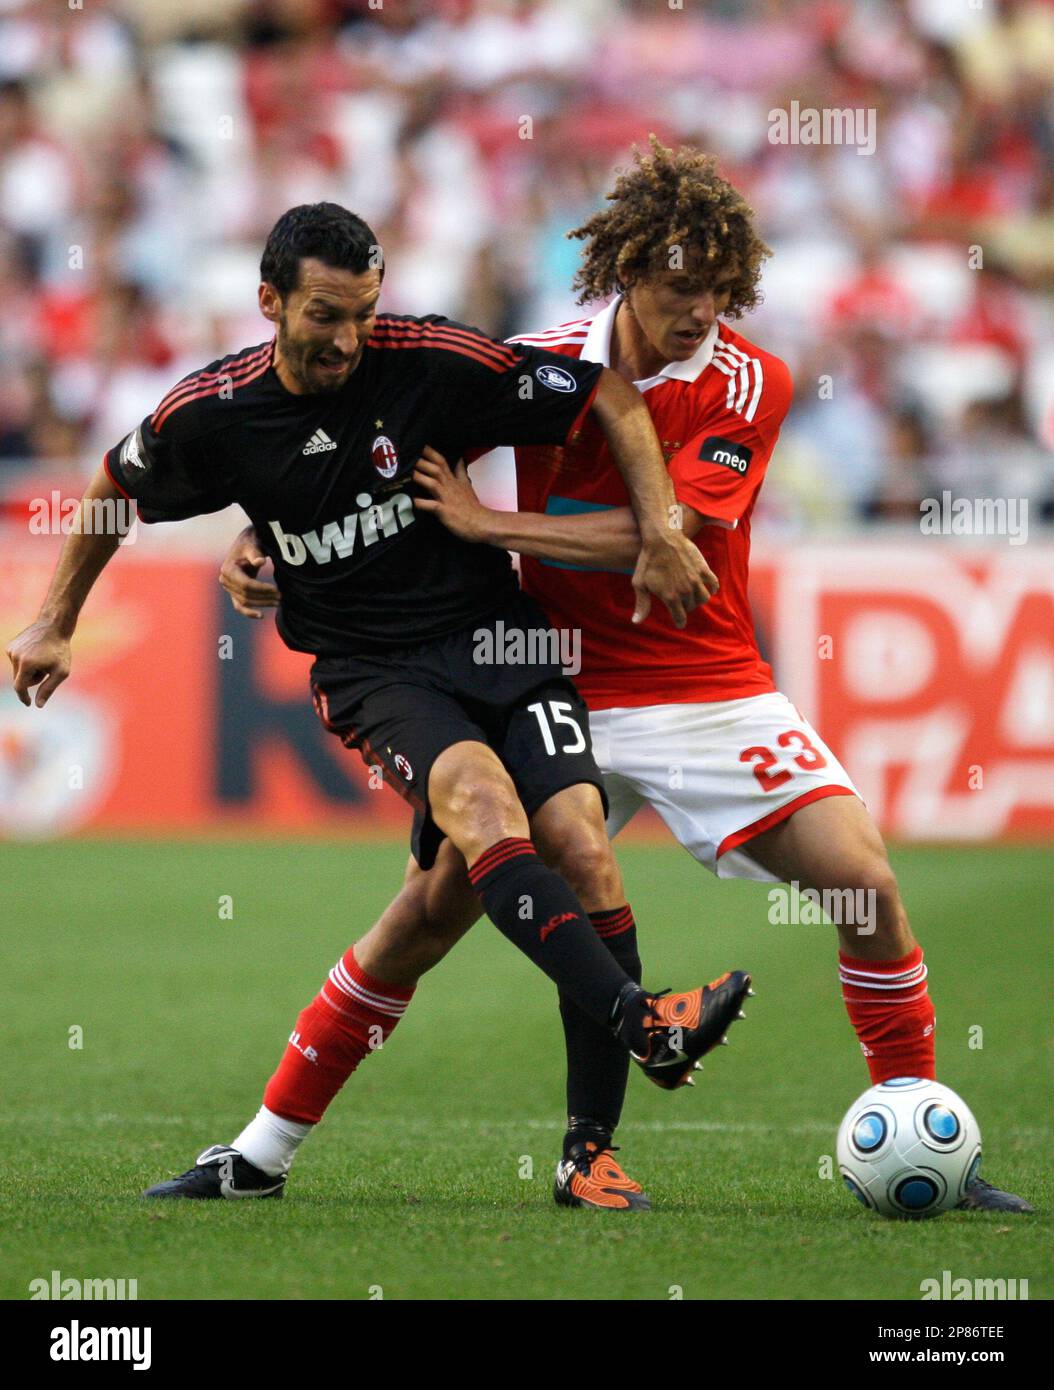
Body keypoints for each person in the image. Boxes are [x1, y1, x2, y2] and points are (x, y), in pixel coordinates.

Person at [221, 146, 1030, 1215]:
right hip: (544, 680)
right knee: (421, 917)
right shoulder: (535, 360)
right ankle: (260, 1153)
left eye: (715, 290)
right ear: (625, 275)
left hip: (706, 686)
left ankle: (916, 1121)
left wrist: (487, 523)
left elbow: (663, 545)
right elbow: (368, 447)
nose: (697, 311)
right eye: (674, 287)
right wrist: (260, 537)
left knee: (864, 883)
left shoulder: (750, 380)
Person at [5, 200, 752, 1201]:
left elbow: (607, 393)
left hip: (502, 644)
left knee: (571, 844)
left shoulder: (430, 360)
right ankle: (643, 1021)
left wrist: (659, 526)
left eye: (363, 312)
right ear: (268, 302)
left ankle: (577, 1155)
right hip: (375, 671)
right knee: (485, 808)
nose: (348, 339)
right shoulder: (214, 414)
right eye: (324, 315)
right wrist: (56, 619)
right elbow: (112, 483)